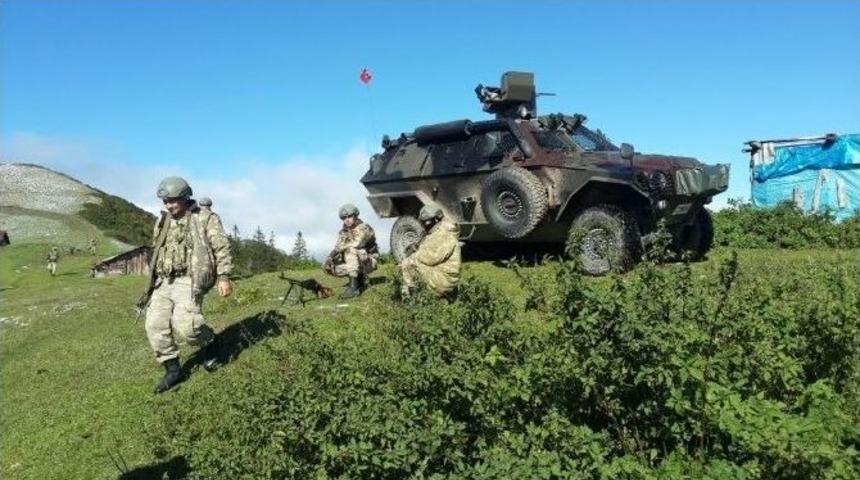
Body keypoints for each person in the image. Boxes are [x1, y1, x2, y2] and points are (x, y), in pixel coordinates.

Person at [143, 176, 234, 394]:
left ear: (185, 197)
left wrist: (223, 277)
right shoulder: (163, 220)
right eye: (165, 202)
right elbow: (157, 248)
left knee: (188, 327)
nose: (168, 205)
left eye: (173, 201)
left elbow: (222, 247)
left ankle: (210, 342)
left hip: (189, 280)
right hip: (164, 281)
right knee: (154, 325)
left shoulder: (204, 218)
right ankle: (173, 370)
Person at [399, 203, 461, 297]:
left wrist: (415, 255)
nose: (424, 225)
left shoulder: (442, 234)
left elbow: (430, 258)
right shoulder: (446, 231)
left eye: (426, 221)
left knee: (407, 264)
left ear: (435, 219)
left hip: (442, 281)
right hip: (449, 279)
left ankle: (412, 298)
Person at [323, 203, 378, 299]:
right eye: (344, 218)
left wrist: (340, 249)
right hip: (355, 263)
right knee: (328, 265)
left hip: (369, 261)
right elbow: (337, 247)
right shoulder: (343, 232)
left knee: (350, 250)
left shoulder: (364, 227)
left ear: (355, 216)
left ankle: (353, 287)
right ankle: (358, 279)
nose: (347, 220)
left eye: (349, 216)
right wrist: (330, 257)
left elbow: (356, 244)